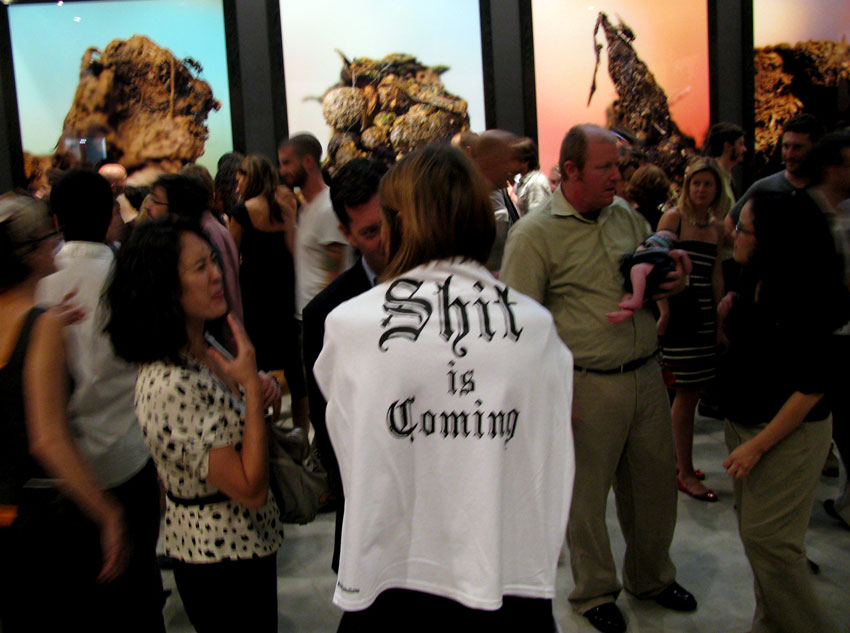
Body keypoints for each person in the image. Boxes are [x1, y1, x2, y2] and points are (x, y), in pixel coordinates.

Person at [314, 145, 575, 631]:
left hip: (394, 573)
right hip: (504, 569)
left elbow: (345, 441)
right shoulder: (536, 326)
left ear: (398, 224)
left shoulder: (350, 325)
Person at [501, 124, 695, 633]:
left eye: (617, 165)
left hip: (646, 375)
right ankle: (593, 592)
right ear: (571, 170)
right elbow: (519, 325)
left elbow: (651, 272)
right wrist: (543, 394)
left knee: (655, 490)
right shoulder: (533, 235)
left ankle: (652, 577)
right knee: (584, 501)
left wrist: (673, 279)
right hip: (583, 386)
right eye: (605, 167)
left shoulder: (625, 215)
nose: (616, 175)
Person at [105, 216, 285, 633]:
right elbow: (250, 488)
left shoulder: (202, 346)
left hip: (248, 543)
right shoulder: (169, 382)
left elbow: (243, 426)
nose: (217, 275)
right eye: (200, 267)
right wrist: (252, 390)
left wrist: (256, 391)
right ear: (164, 286)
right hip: (219, 558)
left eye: (214, 261)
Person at [0, 193, 145, 632]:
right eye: (49, 238)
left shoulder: (32, 319)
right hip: (45, 514)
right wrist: (108, 513)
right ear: (30, 253)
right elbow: (48, 439)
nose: (57, 245)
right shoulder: (40, 324)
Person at [719, 191, 849, 633]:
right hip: (746, 423)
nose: (733, 233)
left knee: (771, 542)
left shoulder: (808, 292)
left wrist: (757, 446)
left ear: (772, 239)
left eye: (743, 228)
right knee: (757, 539)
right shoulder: (752, 274)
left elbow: (811, 387)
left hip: (785, 435)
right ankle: (771, 623)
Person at [302, 157, 388, 573]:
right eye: (370, 232)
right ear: (346, 234)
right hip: (367, 500)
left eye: (391, 222)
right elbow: (326, 421)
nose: (387, 239)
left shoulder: (445, 288)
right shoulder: (325, 313)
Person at [657, 158, 728, 502]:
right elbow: (655, 265)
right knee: (685, 394)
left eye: (707, 184)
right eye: (695, 183)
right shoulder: (674, 218)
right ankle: (684, 471)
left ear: (717, 189)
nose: (701, 189)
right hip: (680, 313)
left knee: (693, 392)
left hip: (703, 316)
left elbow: (716, 275)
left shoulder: (716, 227)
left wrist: (719, 323)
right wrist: (665, 311)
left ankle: (680, 463)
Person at [228, 154, 307, 430]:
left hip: (254, 298)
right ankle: (302, 439)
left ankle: (265, 436)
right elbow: (296, 251)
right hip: (285, 294)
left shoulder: (241, 213)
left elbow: (230, 259)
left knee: (256, 371)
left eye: (240, 178)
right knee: (296, 374)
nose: (237, 185)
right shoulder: (289, 206)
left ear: (250, 178)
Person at [278, 133, 353, 319]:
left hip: (323, 316)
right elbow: (300, 254)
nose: (282, 171)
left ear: (308, 161)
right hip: (307, 313)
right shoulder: (306, 207)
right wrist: (289, 218)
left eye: (287, 163)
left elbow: (335, 274)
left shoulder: (328, 208)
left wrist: (320, 316)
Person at [727, 113, 822, 231]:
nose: (789, 154)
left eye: (797, 147)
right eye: (786, 146)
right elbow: (729, 225)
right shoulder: (764, 188)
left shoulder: (826, 187)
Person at [605, 229, 691, 324]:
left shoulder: (668, 251)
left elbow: (687, 269)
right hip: (644, 278)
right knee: (629, 294)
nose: (660, 236)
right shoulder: (648, 244)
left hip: (655, 266)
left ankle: (637, 300)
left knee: (637, 270)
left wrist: (683, 267)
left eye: (665, 236)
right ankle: (626, 311)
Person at [470, 129, 522, 273]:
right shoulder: (471, 200)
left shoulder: (495, 191)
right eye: (508, 160)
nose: (515, 168)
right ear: (489, 161)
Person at [512, 137, 551, 215]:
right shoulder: (525, 180)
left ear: (525, 162)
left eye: (514, 159)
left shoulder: (535, 183)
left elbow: (537, 217)